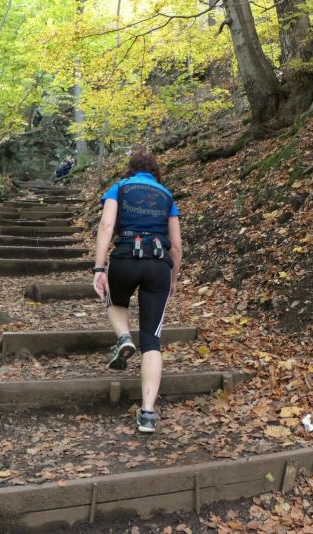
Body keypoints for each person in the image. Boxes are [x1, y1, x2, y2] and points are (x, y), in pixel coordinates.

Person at [92, 149, 182, 433]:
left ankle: (123, 337)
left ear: (131, 169)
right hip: (158, 265)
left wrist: (98, 268)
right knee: (152, 341)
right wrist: (173, 279)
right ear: (155, 172)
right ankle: (147, 414)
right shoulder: (167, 196)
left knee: (115, 302)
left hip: (125, 259)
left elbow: (107, 225)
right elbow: (176, 246)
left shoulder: (119, 188)